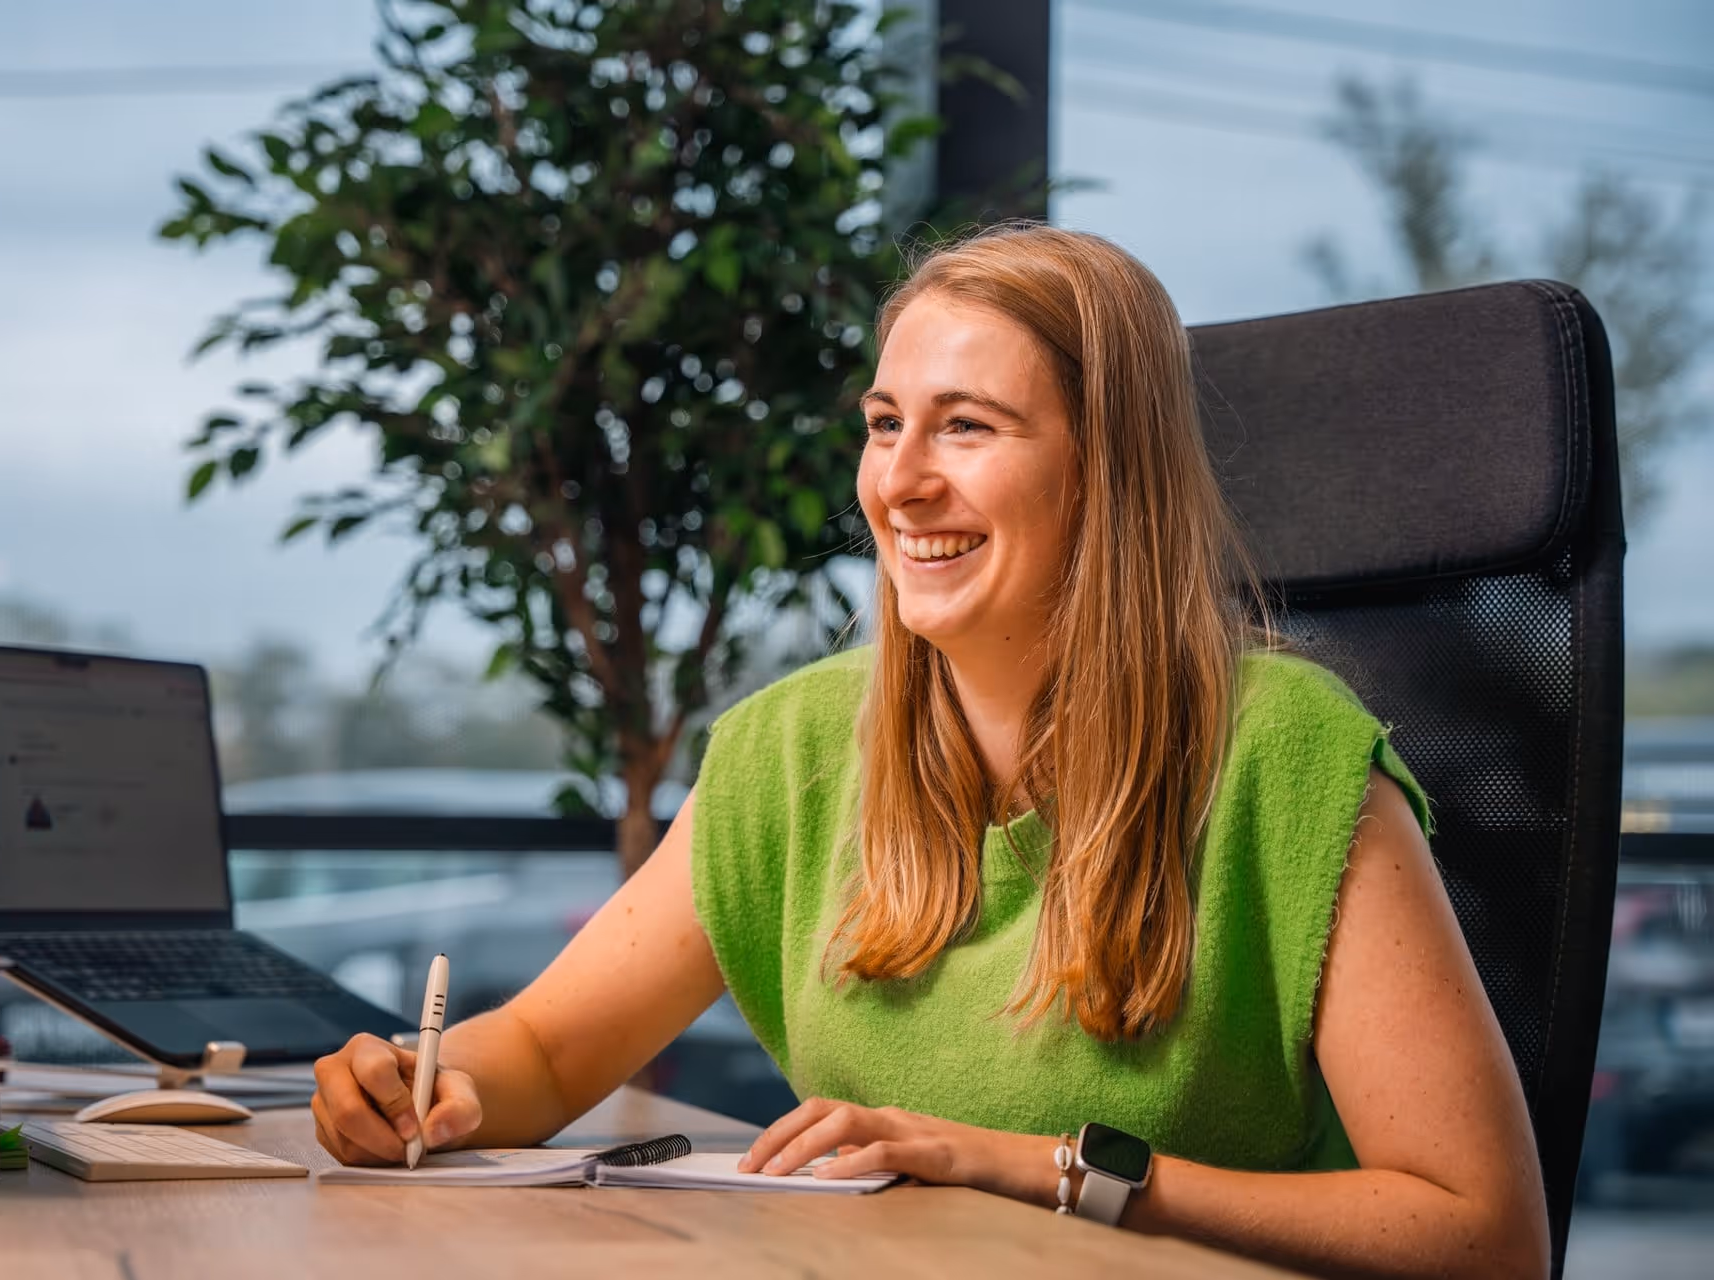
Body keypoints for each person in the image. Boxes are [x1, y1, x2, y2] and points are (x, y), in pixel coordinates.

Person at [311, 225, 1549, 1280]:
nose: (898, 481)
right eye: (885, 421)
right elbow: (543, 1049)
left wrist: (1035, 1166)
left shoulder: (1287, 754)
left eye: (966, 426)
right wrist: (425, 1083)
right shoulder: (790, 751)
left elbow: (1485, 1230)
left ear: (1105, 473)